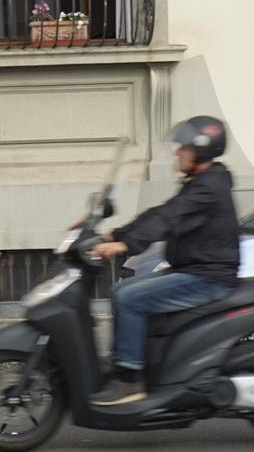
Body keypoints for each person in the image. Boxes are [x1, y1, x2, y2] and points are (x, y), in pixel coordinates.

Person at [89, 116, 241, 406]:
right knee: (124, 288)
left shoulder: (209, 187)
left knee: (129, 298)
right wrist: (116, 235)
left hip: (208, 278)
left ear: (202, 151)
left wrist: (126, 244)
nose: (177, 152)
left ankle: (129, 378)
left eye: (184, 148)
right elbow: (163, 212)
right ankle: (135, 363)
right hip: (195, 270)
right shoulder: (204, 182)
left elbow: (170, 217)